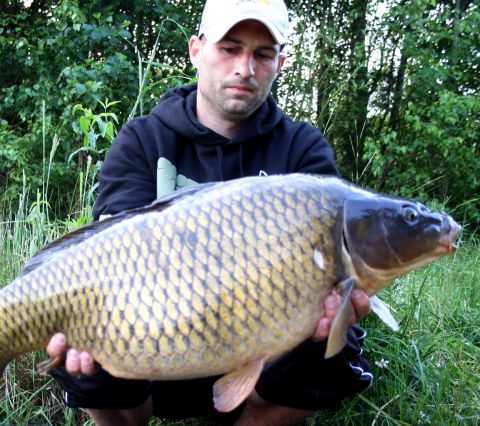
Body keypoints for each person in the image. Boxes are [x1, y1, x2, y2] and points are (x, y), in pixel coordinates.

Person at [48, 0, 373, 424]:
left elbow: (336, 266)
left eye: (262, 54)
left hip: (264, 345)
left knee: (330, 340)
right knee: (88, 351)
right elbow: (112, 248)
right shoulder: (142, 140)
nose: (245, 67)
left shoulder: (302, 150)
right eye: (230, 48)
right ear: (196, 50)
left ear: (280, 62)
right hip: (157, 340)